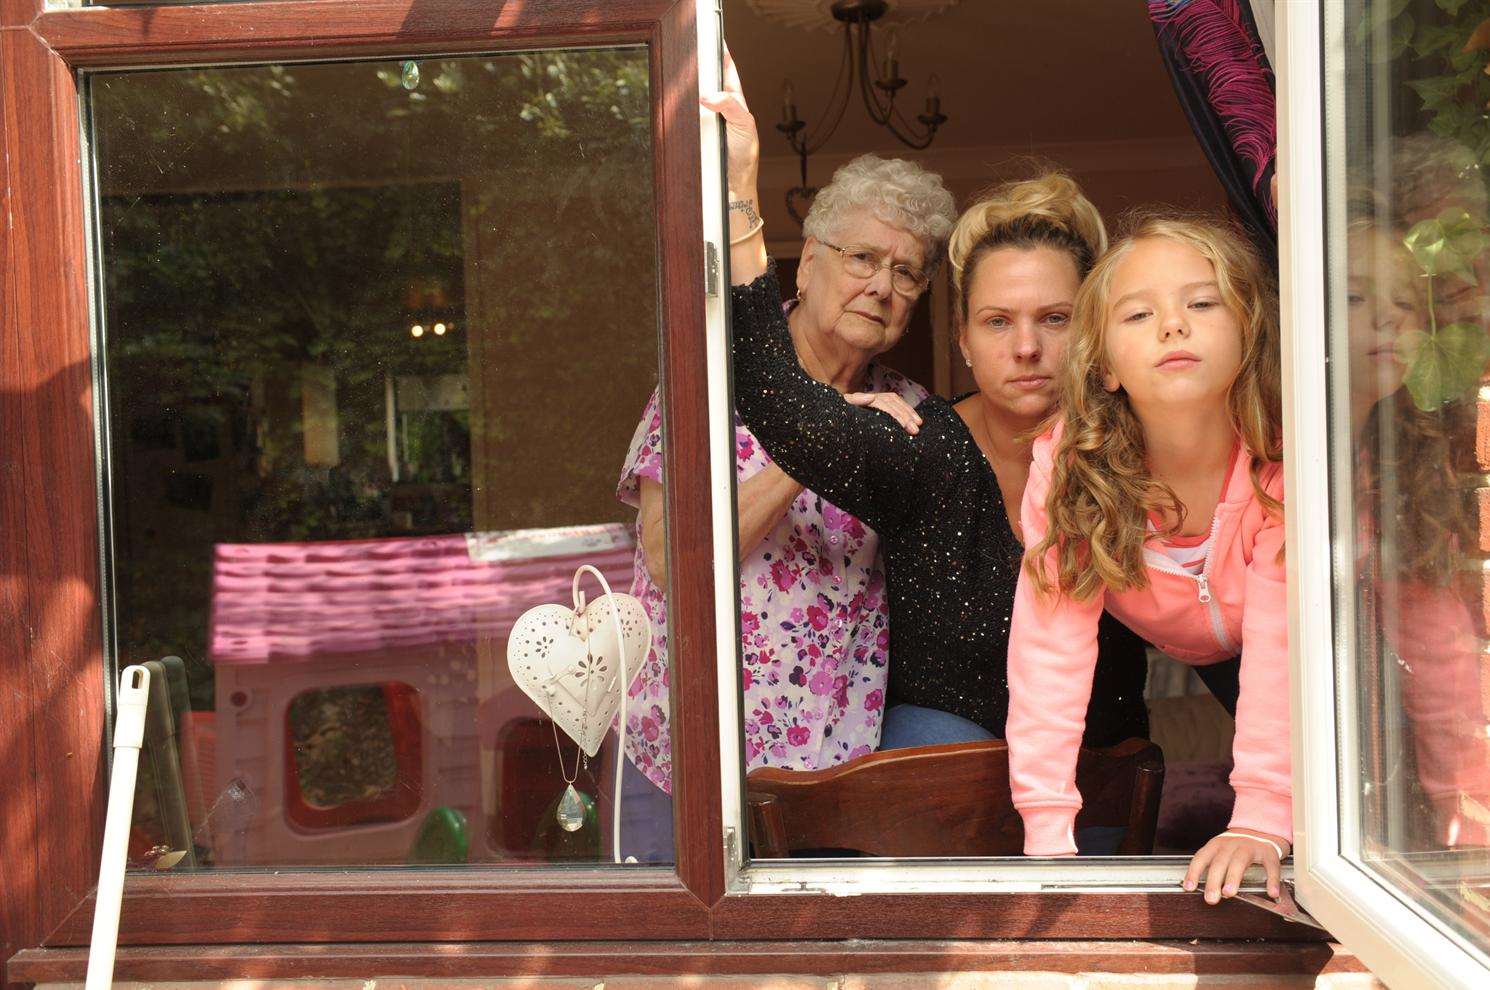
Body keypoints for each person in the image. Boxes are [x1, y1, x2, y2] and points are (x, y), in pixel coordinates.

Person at [705, 52, 1152, 839]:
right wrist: (742, 192)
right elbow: (774, 398)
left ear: (1092, 332)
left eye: (1054, 320)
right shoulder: (926, 442)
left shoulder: (1134, 451)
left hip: (1098, 791)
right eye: (997, 322)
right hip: (937, 793)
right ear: (963, 339)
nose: (1026, 349)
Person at [615, 147, 956, 863]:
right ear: (806, 265)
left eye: (905, 272)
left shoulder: (913, 415)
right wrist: (819, 441)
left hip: (834, 774)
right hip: (686, 762)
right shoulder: (708, 378)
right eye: (862, 257)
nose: (882, 287)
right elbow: (669, 561)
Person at [1005, 213, 1289, 901]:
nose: (1173, 326)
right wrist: (1047, 832)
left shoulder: (1285, 453)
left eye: (1201, 302)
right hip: (1173, 636)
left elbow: (1286, 649)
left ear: (1250, 330)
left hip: (1292, 650)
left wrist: (1260, 819)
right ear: (1103, 364)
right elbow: (1050, 651)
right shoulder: (1072, 469)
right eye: (1139, 314)